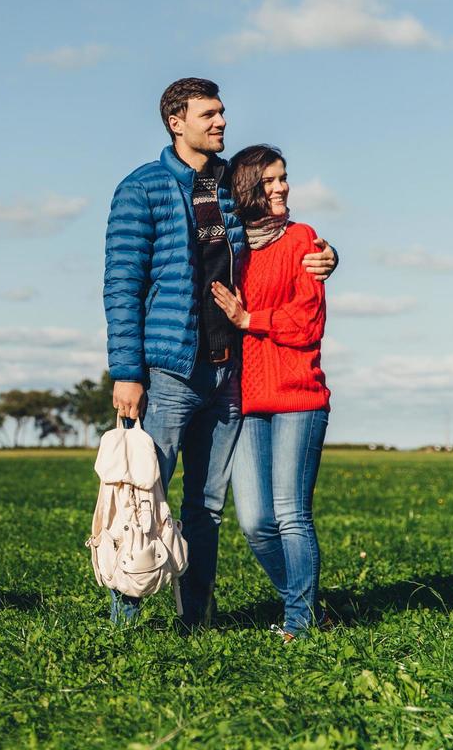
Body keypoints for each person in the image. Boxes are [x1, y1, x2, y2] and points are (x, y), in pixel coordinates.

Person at [103, 77, 336, 628]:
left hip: (228, 374)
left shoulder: (231, 183)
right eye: (208, 115)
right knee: (141, 496)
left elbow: (280, 231)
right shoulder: (143, 188)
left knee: (204, 507)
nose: (221, 123)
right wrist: (127, 371)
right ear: (175, 122)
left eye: (223, 113)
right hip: (169, 373)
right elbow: (122, 283)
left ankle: (196, 616)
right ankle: (124, 620)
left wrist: (328, 254)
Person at [212, 145, 330, 641]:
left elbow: (308, 323)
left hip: (299, 395)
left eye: (283, 179)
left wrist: (249, 320)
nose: (281, 188)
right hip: (246, 399)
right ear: (246, 190)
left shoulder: (304, 239)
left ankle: (299, 624)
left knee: (290, 514)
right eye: (269, 181)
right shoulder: (233, 251)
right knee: (256, 522)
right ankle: (302, 603)